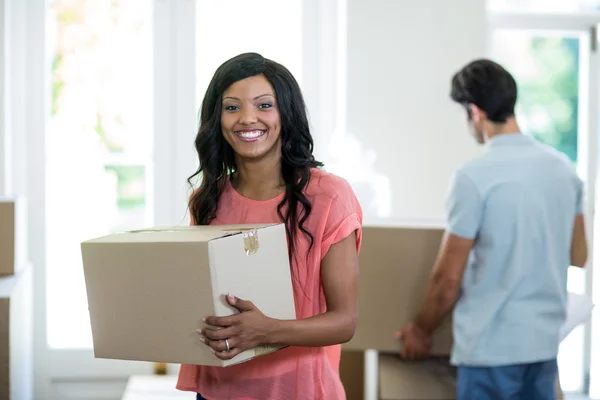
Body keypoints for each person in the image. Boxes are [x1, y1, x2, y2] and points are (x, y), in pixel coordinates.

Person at [396, 59, 588, 400]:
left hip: (490, 353)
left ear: (474, 111)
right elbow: (579, 255)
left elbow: (447, 281)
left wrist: (420, 330)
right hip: (543, 348)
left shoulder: (473, 177)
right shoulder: (564, 170)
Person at [176, 52, 363, 400]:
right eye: (232, 108)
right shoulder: (206, 199)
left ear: (285, 113)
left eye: (264, 105)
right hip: (216, 392)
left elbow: (344, 321)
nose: (247, 118)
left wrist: (267, 331)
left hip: (298, 391)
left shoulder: (330, 196)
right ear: (217, 119)